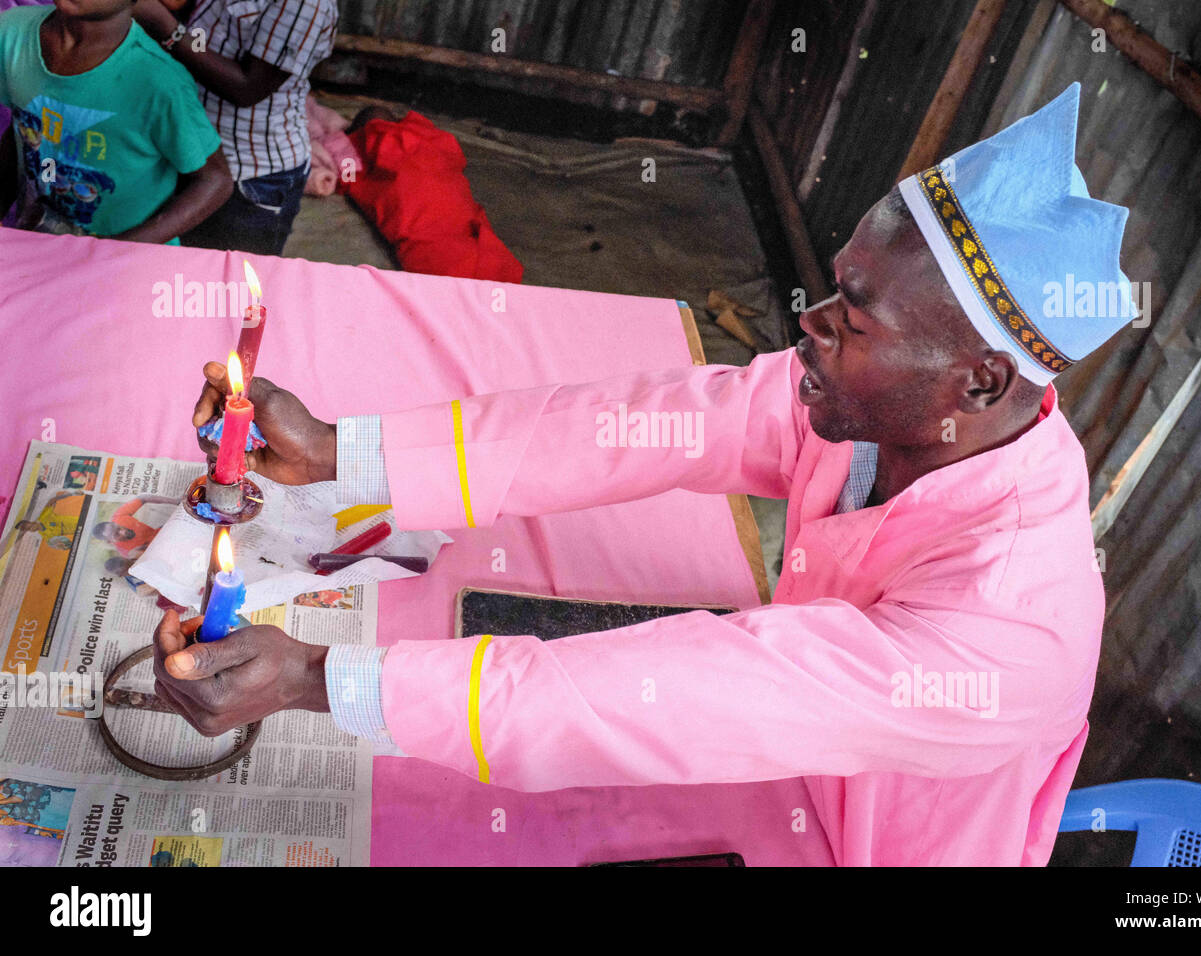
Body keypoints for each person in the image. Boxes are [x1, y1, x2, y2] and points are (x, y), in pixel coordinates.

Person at [152, 85, 1139, 866]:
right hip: (774, 772)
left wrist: (329, 679)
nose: (811, 318)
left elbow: (687, 690)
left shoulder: (1013, 629)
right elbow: (632, 428)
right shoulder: (877, 408)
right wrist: (344, 451)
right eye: (834, 285)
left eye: (855, 314)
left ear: (979, 379)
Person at [0, 0, 231, 241]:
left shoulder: (158, 81)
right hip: (38, 241)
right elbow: (21, 126)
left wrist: (120, 251)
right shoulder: (12, 32)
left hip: (127, 262)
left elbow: (215, 179)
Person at [129, 0, 337, 254]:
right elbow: (200, 40)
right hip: (196, 154)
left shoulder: (305, 4)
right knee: (181, 271)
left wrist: (168, 29)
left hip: (250, 178)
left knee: (227, 283)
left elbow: (247, 88)